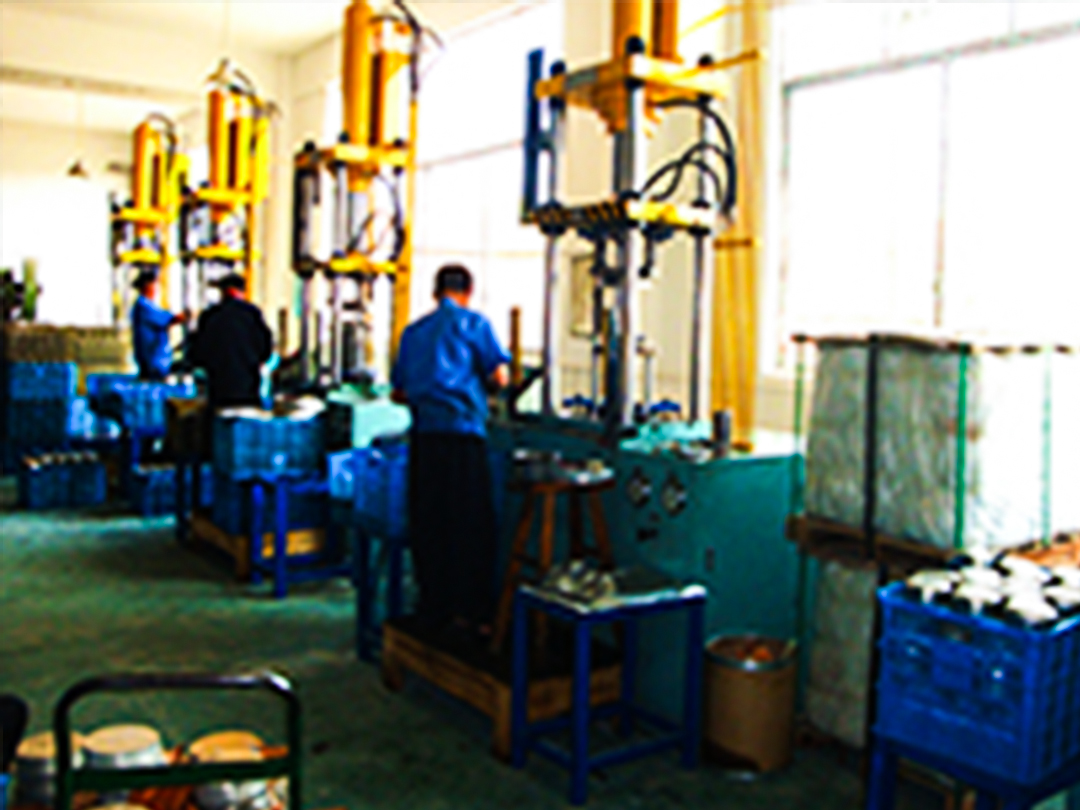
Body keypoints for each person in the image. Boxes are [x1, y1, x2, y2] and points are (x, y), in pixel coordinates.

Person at [391, 264, 510, 641]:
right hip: (463, 439)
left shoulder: (413, 332)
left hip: (425, 441)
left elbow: (399, 392)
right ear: (468, 292)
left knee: (430, 525)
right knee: (470, 527)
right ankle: (473, 616)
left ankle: (433, 610)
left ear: (435, 291)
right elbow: (500, 376)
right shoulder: (474, 324)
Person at [188, 273, 273, 410]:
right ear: (242, 291)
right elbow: (265, 348)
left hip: (218, 388)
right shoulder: (252, 314)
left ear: (223, 292)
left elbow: (197, 352)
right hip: (248, 386)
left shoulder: (209, 316)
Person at [131, 271, 187, 381]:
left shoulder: (144, 306)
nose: (155, 289)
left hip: (154, 361)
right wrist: (188, 316)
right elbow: (170, 319)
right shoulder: (144, 306)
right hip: (155, 363)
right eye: (154, 285)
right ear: (147, 286)